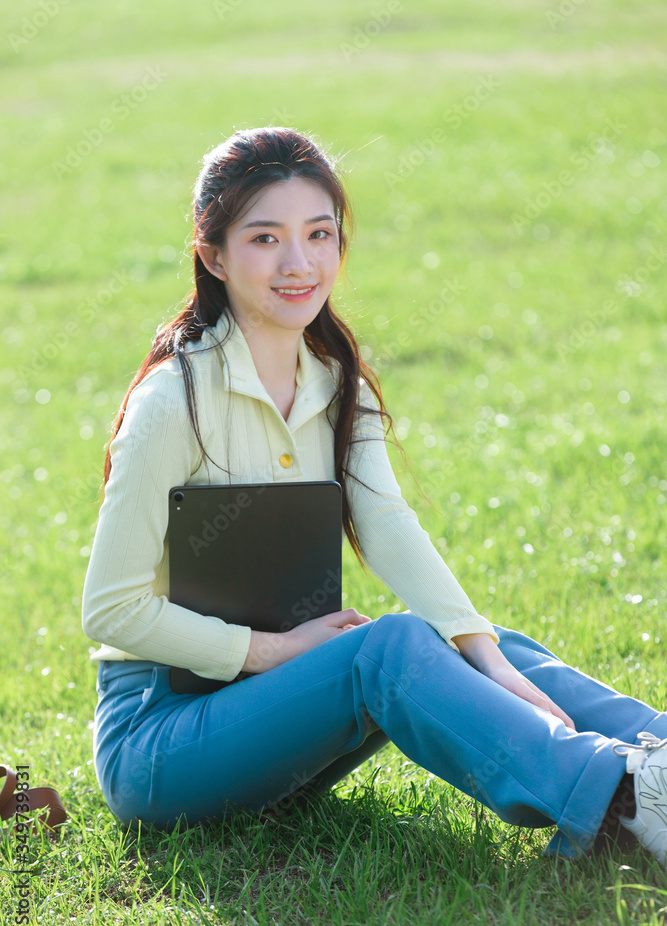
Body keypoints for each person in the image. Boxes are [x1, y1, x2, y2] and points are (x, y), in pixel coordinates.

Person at [82, 125, 667, 866]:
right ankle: (619, 798)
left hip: (272, 719)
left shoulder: (330, 377)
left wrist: (482, 654)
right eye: (265, 239)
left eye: (318, 234)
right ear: (214, 255)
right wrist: (269, 653)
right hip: (160, 743)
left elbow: (385, 521)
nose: (299, 264)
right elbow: (109, 609)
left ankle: (660, 754)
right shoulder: (173, 401)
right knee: (386, 649)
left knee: (470, 643)